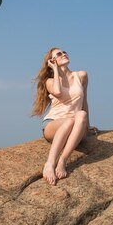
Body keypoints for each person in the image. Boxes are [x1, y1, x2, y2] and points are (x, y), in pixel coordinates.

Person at [31, 47, 97, 185]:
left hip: (76, 125)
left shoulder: (81, 76)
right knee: (67, 122)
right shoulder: (49, 82)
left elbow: (84, 101)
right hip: (53, 124)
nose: (64, 54)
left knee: (81, 114)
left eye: (64, 52)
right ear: (52, 61)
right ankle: (49, 164)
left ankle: (62, 161)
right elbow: (58, 92)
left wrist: (88, 126)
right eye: (59, 54)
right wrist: (55, 70)